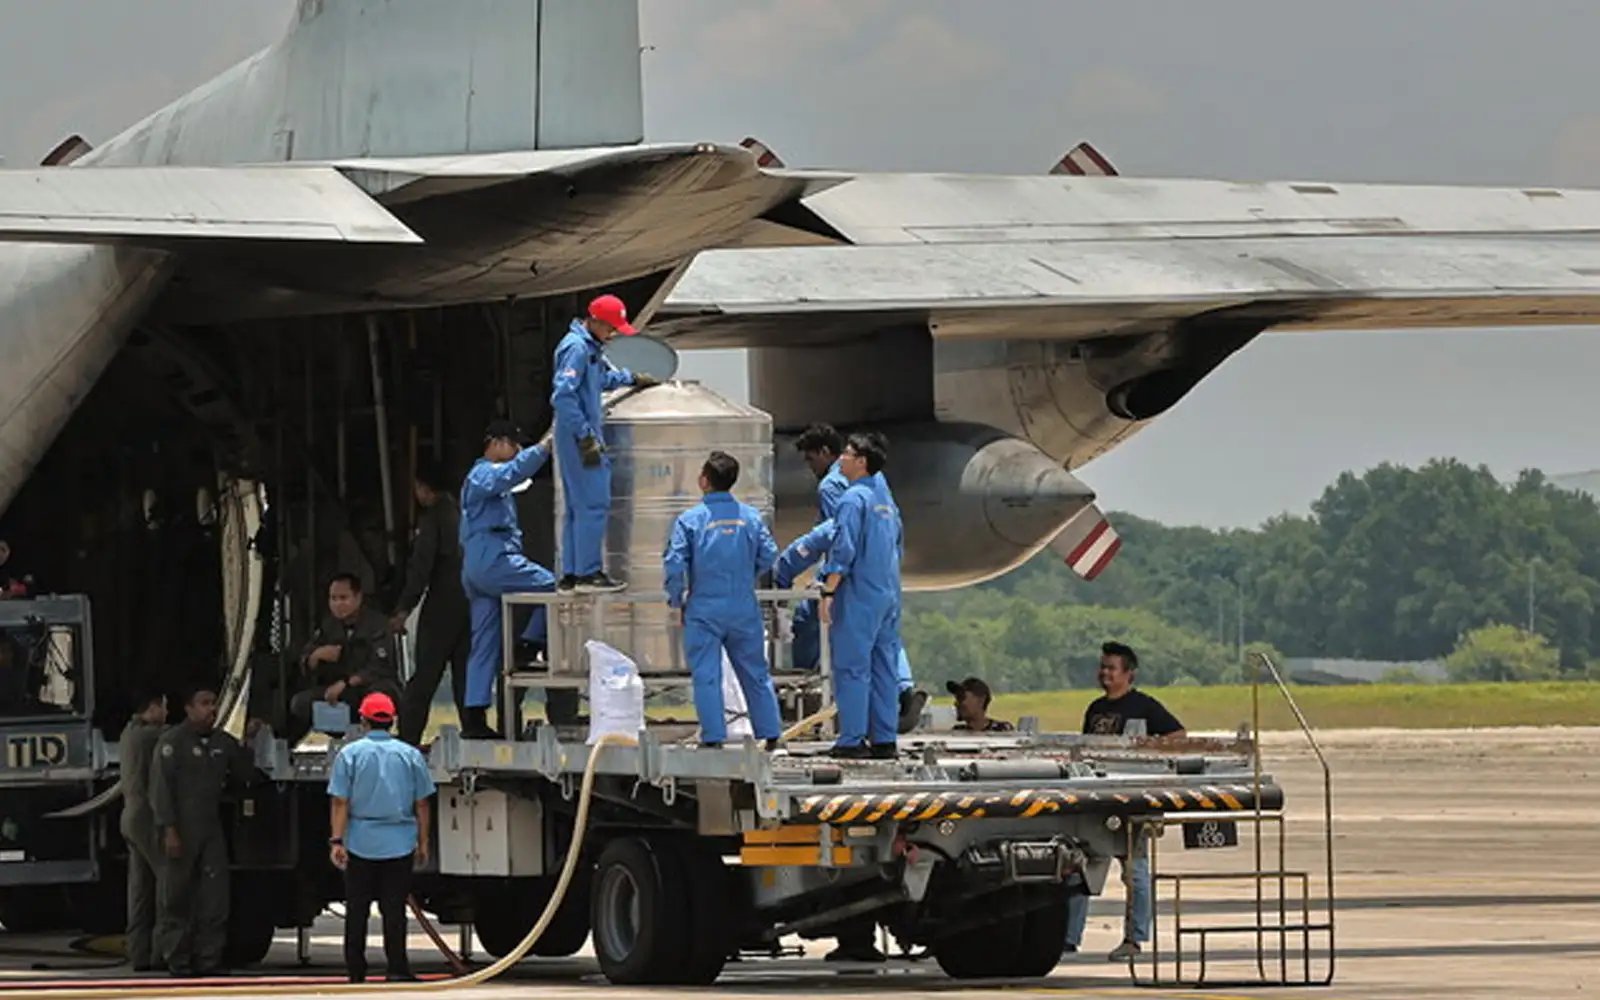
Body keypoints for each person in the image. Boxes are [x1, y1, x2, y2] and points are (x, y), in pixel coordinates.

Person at [1065, 641, 1186, 961]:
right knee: (1078, 869)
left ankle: (1135, 938)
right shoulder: (1095, 708)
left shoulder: (1144, 706)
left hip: (1132, 801)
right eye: (1102, 667)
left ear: (1128, 674)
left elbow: (1178, 736)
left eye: (1111, 668)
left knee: (1135, 872)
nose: (1104, 673)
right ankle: (1068, 938)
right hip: (1096, 800)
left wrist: (1145, 750)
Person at [663, 451, 783, 749]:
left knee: (707, 674)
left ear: (704, 480)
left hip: (704, 608)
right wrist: (747, 573)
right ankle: (771, 735)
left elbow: (674, 563)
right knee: (755, 672)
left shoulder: (689, 520)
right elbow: (769, 555)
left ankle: (714, 736)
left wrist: (676, 599)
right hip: (743, 605)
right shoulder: (751, 517)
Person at [549, 293, 659, 593]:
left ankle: (572, 573)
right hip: (579, 437)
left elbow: (600, 381)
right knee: (594, 503)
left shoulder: (588, 347)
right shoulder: (577, 349)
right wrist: (585, 435)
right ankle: (589, 573)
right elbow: (562, 396)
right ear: (594, 321)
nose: (612, 334)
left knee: (577, 507)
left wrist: (631, 378)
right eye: (610, 328)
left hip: (573, 436)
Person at [150, 686, 260, 977]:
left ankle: (209, 959)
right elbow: (161, 791)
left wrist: (248, 741)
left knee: (215, 898)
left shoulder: (222, 743)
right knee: (176, 896)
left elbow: (245, 775)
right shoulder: (171, 743)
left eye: (214, 704)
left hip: (210, 829)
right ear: (188, 708)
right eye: (204, 703)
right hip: (181, 829)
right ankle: (178, 960)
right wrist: (169, 829)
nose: (210, 709)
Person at [774, 519, 922, 735]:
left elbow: (796, 558)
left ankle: (815, 701)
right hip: (885, 593)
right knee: (886, 648)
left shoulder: (838, 523)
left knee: (848, 665)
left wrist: (781, 599)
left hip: (848, 598)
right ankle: (902, 695)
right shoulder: (886, 517)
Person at [459, 419, 558, 739]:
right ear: (497, 442)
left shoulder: (488, 484)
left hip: (477, 564)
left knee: (484, 642)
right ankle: (531, 643)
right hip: (493, 557)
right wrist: (543, 448)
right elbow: (514, 472)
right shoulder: (484, 473)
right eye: (514, 445)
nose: (517, 452)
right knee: (552, 586)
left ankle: (474, 716)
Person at [328, 692, 435, 984]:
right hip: (399, 841)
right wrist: (423, 842)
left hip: (360, 840)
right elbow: (422, 803)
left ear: (363, 720)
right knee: (394, 910)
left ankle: (356, 970)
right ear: (392, 721)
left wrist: (337, 840)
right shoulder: (410, 755)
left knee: (357, 909)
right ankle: (397, 968)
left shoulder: (349, 755)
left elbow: (340, 801)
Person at [819, 433, 903, 759]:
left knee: (852, 667)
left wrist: (829, 589)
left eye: (848, 454)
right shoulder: (885, 500)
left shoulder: (852, 499)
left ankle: (851, 739)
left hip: (860, 595)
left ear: (862, 462)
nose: (841, 458)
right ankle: (884, 739)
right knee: (884, 666)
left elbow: (844, 549)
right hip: (888, 593)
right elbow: (898, 542)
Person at [392, 462, 470, 746]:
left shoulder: (433, 518)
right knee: (464, 673)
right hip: (469, 603)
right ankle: (473, 729)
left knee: (425, 674)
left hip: (442, 604)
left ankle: (408, 736)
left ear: (424, 488)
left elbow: (421, 567)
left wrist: (404, 608)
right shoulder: (464, 513)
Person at [289, 574, 399, 746]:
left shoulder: (377, 624)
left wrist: (346, 683)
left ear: (358, 598)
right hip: (340, 695)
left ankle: (375, 734)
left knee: (381, 693)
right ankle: (339, 732)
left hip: (367, 688)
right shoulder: (328, 626)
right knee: (300, 703)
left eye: (343, 598)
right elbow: (305, 659)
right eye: (333, 598)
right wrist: (317, 656)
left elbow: (379, 667)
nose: (338, 604)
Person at [118, 690, 168, 972]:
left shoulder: (128, 733)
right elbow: (182, 734)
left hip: (130, 816)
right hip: (147, 817)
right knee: (166, 882)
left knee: (139, 889)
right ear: (152, 708)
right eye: (164, 708)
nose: (166, 714)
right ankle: (162, 951)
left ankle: (139, 953)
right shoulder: (150, 735)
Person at [946, 677, 1014, 732]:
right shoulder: (957, 732)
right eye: (957, 699)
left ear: (981, 700)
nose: (956, 704)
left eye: (961, 698)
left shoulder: (1002, 730)